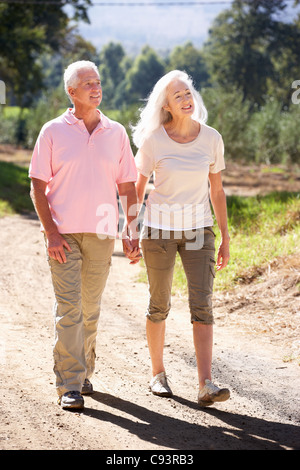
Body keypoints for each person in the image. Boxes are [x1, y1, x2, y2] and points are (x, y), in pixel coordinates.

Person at [29, 60, 140, 410]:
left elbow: (127, 186)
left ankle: (83, 371)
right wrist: (50, 233)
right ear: (71, 92)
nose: (96, 87)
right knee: (70, 309)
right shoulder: (52, 131)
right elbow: (37, 185)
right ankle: (69, 384)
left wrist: (130, 230)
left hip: (102, 234)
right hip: (63, 234)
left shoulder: (116, 132)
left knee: (90, 307)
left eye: (98, 81)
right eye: (87, 83)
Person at [133, 70, 230, 407]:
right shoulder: (154, 140)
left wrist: (226, 237)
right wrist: (130, 227)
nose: (187, 99)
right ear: (167, 105)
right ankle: (158, 375)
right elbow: (138, 185)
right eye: (178, 96)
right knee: (159, 303)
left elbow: (217, 190)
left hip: (198, 231)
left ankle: (206, 384)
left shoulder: (211, 138)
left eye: (188, 92)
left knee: (202, 304)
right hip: (159, 231)